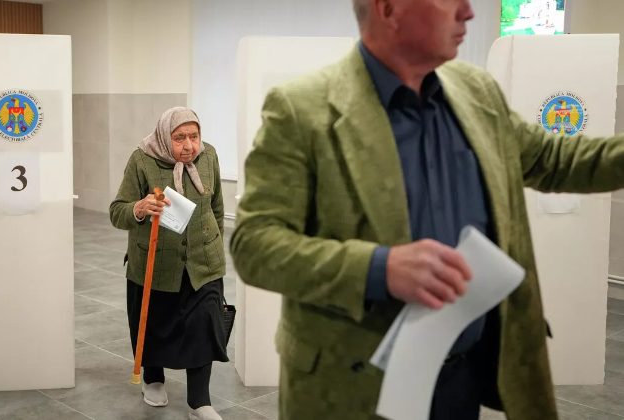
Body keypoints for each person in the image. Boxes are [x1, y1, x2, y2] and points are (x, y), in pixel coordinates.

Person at [229, 0, 624, 419]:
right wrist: (379, 269)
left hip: (462, 374)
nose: (469, 12)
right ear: (388, 9)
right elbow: (255, 245)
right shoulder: (301, 109)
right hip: (353, 385)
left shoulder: (476, 91)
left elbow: (552, 159)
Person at [110, 107, 228, 420]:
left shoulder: (209, 156)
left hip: (203, 264)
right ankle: (153, 379)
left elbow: (216, 207)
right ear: (165, 137)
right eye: (179, 138)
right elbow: (117, 211)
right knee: (154, 323)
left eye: (194, 136)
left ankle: (199, 401)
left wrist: (213, 246)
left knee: (204, 326)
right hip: (155, 262)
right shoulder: (142, 160)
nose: (189, 145)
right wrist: (139, 208)